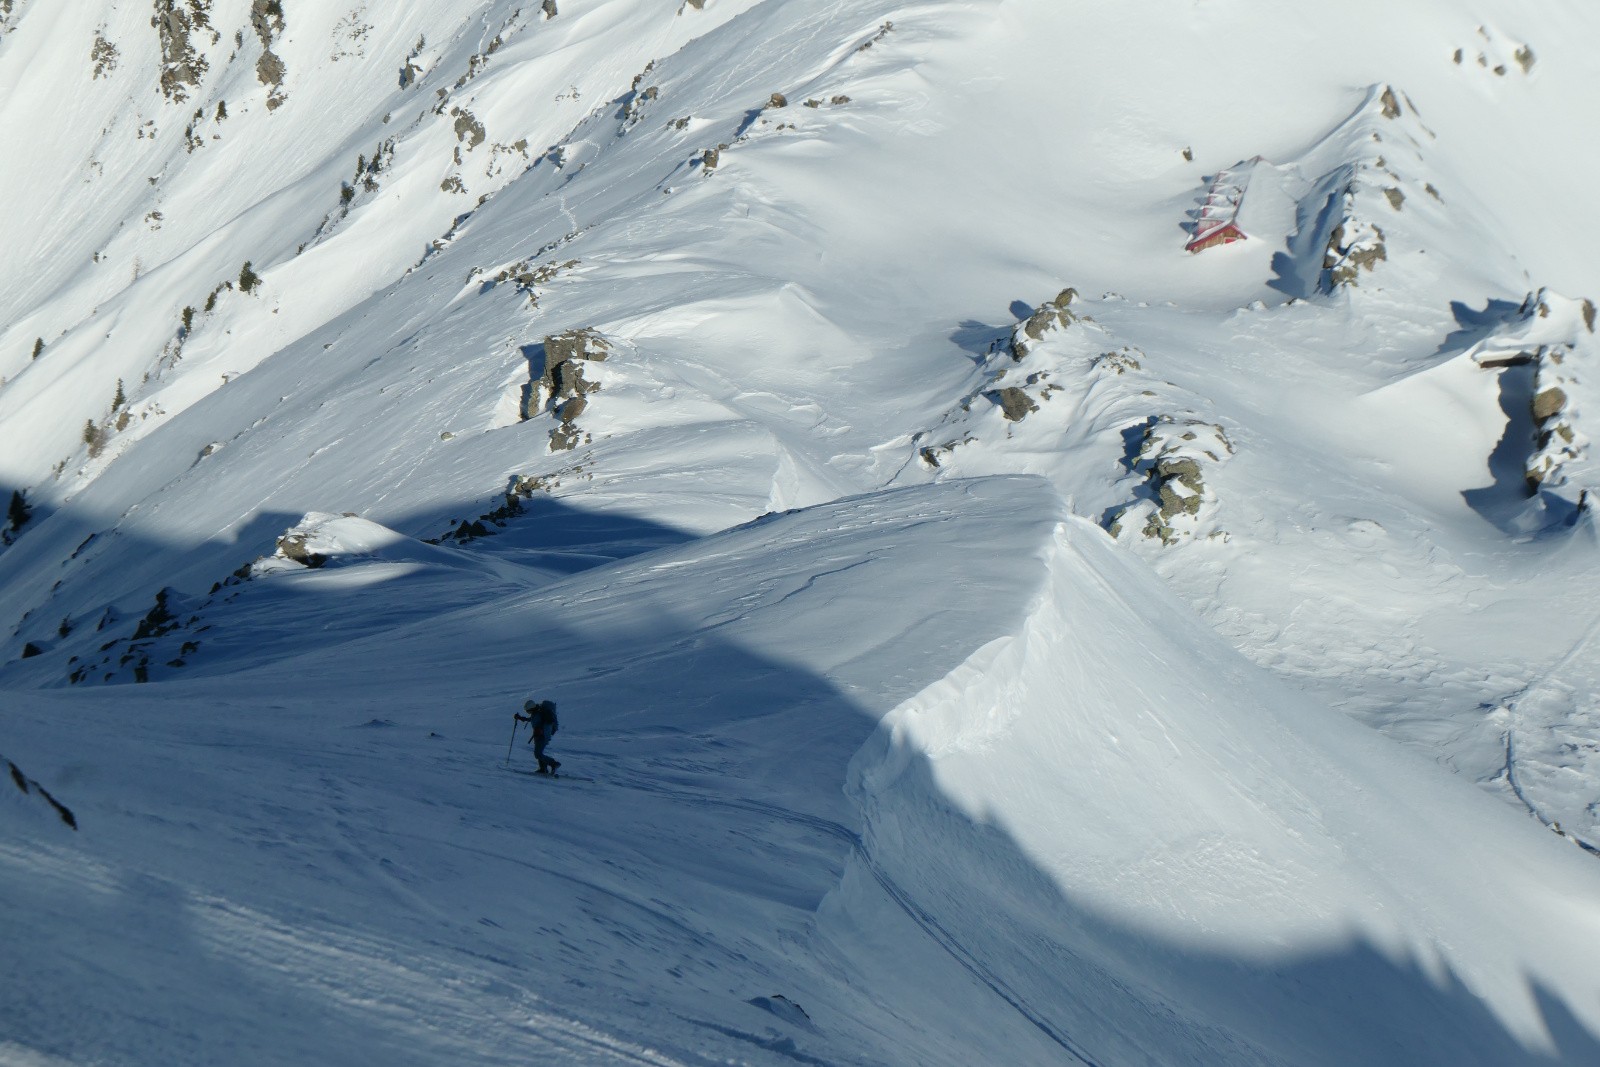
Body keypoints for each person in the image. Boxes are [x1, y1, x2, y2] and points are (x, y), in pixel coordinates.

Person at [515, 699, 561, 774]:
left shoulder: (537, 713)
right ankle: (543, 768)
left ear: (531, 709)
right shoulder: (537, 712)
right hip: (542, 735)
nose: (527, 712)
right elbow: (531, 719)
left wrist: (539, 732)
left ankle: (554, 763)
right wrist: (520, 718)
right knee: (539, 752)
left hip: (542, 736)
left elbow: (535, 721)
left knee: (538, 754)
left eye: (528, 711)